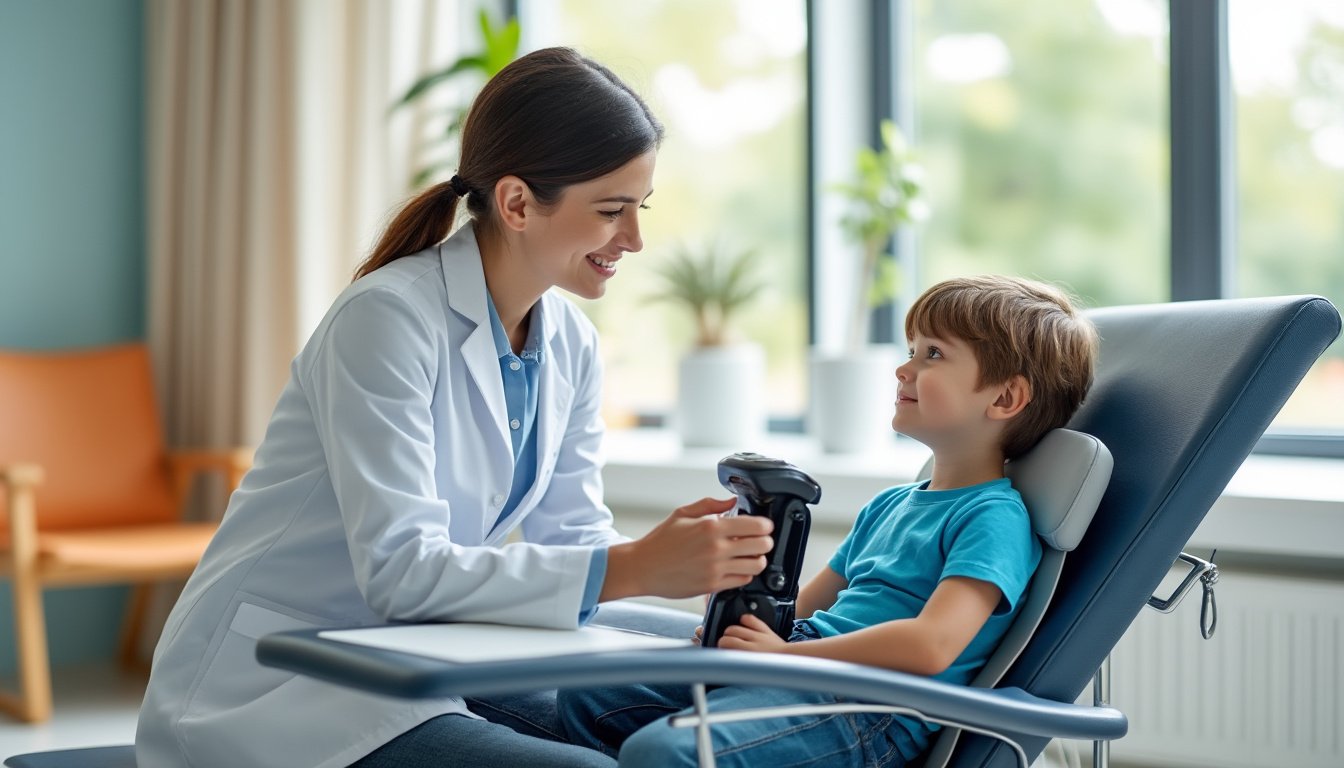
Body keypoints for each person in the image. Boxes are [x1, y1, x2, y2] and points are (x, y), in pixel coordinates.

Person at [135, 47, 775, 768]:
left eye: (640, 210)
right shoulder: (385, 319)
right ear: (516, 203)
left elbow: (572, 543)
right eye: (611, 211)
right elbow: (403, 572)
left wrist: (691, 615)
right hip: (281, 686)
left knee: (675, 711)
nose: (634, 240)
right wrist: (637, 567)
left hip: (424, 655)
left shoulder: (569, 344)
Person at [557, 275, 1100, 767]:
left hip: (870, 710)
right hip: (811, 673)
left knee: (664, 751)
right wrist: (738, 622)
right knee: (590, 696)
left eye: (933, 354)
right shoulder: (890, 505)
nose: (903, 367)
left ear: (1006, 397)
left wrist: (787, 658)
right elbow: (804, 611)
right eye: (912, 349)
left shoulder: (994, 518)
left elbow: (931, 646)